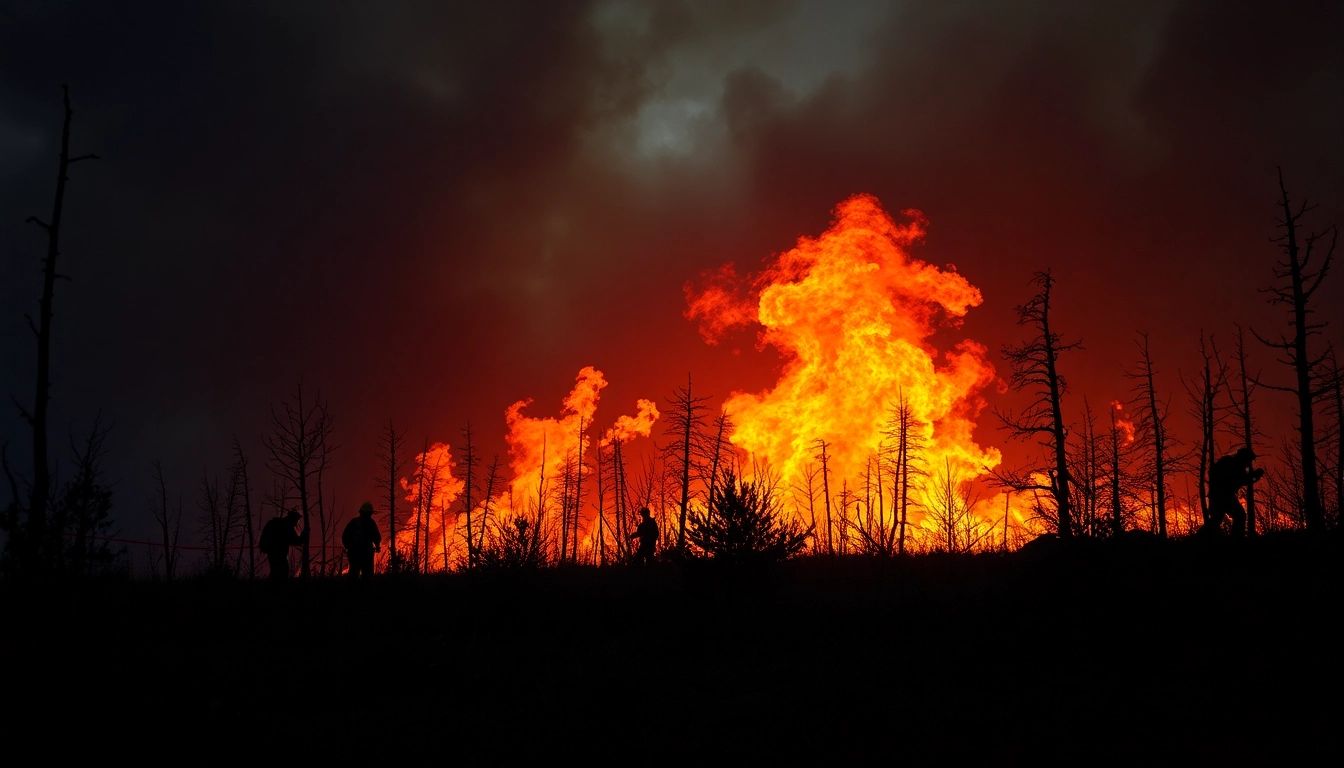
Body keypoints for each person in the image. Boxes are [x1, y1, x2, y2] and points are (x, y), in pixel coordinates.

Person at [1201, 447, 1263, 537]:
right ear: (1244, 458)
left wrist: (1254, 476)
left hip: (1220, 495)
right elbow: (1240, 479)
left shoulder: (1232, 463)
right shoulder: (1233, 464)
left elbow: (1243, 479)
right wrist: (1254, 476)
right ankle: (1236, 541)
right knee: (1238, 516)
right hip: (1223, 495)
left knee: (1217, 519)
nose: (1249, 463)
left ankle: (1199, 539)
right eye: (1249, 460)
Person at [259, 508, 307, 581]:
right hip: (279, 554)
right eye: (297, 520)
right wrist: (304, 533)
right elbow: (297, 541)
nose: (297, 523)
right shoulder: (287, 526)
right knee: (282, 574)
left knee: (274, 573)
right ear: (293, 519)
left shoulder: (277, 523)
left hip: (271, 553)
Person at [342, 501, 382, 580]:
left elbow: (345, 536)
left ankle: (351, 590)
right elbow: (376, 537)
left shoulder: (354, 522)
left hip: (354, 553)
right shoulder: (371, 523)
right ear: (370, 513)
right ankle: (365, 591)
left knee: (353, 573)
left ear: (361, 512)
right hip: (366, 553)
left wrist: (349, 547)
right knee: (367, 575)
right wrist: (377, 547)